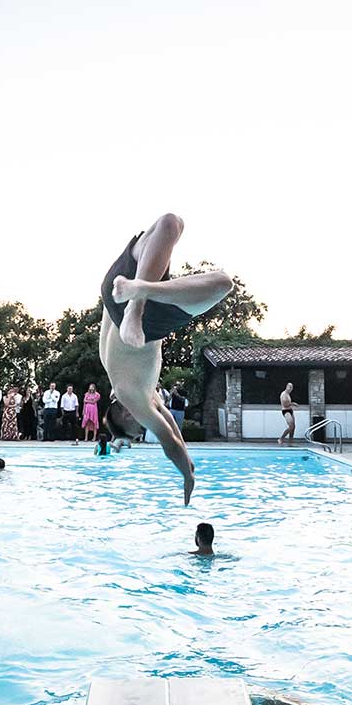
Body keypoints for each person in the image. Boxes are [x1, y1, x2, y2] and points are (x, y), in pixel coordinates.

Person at [98, 214, 236, 503]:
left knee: (223, 283)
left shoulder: (133, 398)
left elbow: (167, 440)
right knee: (170, 224)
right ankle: (139, 295)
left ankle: (140, 297)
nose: (141, 431)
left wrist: (187, 475)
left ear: (126, 416)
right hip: (114, 294)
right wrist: (189, 457)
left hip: (146, 325)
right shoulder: (139, 391)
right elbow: (173, 427)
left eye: (137, 431)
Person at [279, 382, 297, 447]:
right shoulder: (283, 394)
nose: (291, 389)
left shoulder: (288, 394)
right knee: (291, 426)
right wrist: (293, 403)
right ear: (286, 387)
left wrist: (291, 405)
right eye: (290, 387)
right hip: (285, 411)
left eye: (292, 387)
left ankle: (290, 442)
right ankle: (281, 439)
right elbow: (285, 405)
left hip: (290, 410)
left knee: (294, 427)